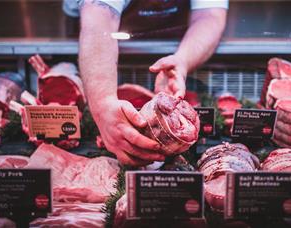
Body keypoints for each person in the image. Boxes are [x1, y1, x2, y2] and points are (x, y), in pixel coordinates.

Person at [77, 0, 228, 166]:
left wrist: (182, 59)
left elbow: (209, 16)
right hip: (105, 52)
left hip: (178, 37)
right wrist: (102, 101)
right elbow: (99, 22)